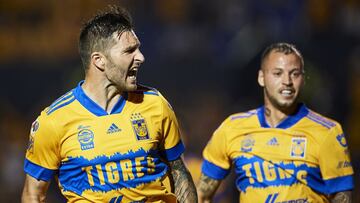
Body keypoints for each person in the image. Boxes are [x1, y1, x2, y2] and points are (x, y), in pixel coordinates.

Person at [22, 6, 197, 203]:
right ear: (99, 61)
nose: (140, 57)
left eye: (138, 48)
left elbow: (179, 171)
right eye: (130, 51)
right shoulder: (53, 121)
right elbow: (33, 194)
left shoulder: (155, 104)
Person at [197, 42, 354, 203]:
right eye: (277, 73)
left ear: (303, 79)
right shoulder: (232, 128)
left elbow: (342, 196)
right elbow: (201, 195)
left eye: (294, 74)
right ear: (262, 78)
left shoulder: (327, 132)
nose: (287, 81)